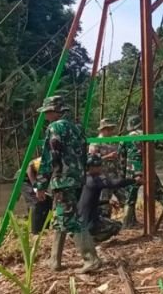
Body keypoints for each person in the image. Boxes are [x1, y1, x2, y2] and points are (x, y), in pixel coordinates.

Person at [33, 95, 101, 273]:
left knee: (70, 220)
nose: (46, 116)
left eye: (47, 112)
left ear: (55, 111)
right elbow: (84, 154)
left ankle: (91, 259)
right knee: (61, 217)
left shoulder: (55, 128)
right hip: (77, 179)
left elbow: (49, 158)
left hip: (62, 181)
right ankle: (54, 260)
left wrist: (40, 186)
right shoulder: (78, 128)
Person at [117, 115, 163, 228]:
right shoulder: (147, 135)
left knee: (130, 198)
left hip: (132, 171)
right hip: (148, 169)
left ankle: (126, 224)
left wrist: (122, 175)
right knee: (160, 193)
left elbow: (121, 158)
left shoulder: (125, 139)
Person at [78, 154, 139, 243]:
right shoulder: (94, 180)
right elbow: (114, 183)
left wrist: (107, 201)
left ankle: (89, 237)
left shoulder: (85, 179)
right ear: (91, 167)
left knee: (107, 220)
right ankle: (92, 240)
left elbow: (89, 202)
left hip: (80, 222)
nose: (100, 168)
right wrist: (134, 180)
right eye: (98, 166)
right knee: (117, 226)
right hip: (87, 224)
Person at [88, 118, 124, 219]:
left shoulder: (113, 140)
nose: (110, 131)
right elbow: (92, 161)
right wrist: (107, 156)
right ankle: (104, 223)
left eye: (111, 129)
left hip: (115, 175)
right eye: (108, 129)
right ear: (102, 130)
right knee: (104, 202)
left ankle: (128, 220)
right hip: (103, 177)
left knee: (125, 198)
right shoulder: (96, 143)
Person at [21, 155, 52, 234]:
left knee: (48, 201)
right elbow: (30, 167)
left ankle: (45, 228)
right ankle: (34, 231)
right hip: (26, 178)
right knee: (36, 202)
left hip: (39, 180)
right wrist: (36, 187)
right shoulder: (49, 158)